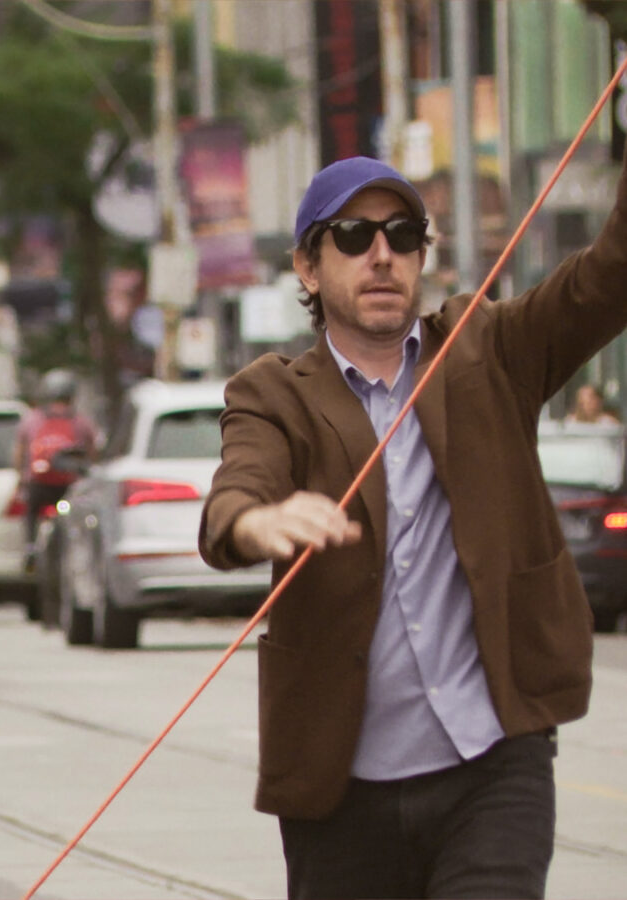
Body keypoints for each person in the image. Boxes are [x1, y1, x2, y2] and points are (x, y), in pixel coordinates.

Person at [198, 154, 627, 899]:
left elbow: (608, 277)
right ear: (307, 266)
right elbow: (235, 494)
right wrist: (259, 521)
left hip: (493, 761)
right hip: (339, 788)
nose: (382, 255)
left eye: (402, 234)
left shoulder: (489, 348)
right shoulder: (273, 393)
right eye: (355, 236)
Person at [13, 368, 99, 562]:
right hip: (69, 485)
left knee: (31, 511)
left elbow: (19, 454)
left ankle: (30, 547)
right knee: (83, 517)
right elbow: (92, 454)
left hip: (39, 485)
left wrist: (21, 479)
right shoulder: (81, 422)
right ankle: (84, 552)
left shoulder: (31, 419)